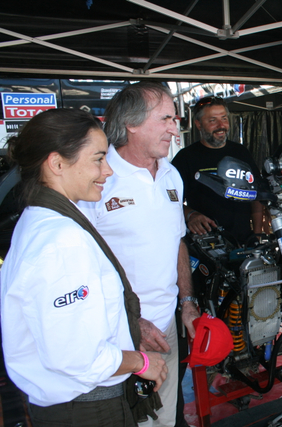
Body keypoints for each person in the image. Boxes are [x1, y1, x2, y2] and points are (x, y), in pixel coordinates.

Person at [1, 108, 168, 426]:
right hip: (87, 409)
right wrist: (141, 362)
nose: (108, 170)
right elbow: (77, 357)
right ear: (57, 163)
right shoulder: (63, 241)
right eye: (98, 159)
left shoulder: (37, 219)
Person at [78, 82, 199, 427]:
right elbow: (83, 266)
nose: (174, 129)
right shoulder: (96, 178)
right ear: (131, 123)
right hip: (116, 337)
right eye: (165, 119)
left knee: (164, 419)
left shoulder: (172, 175)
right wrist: (133, 321)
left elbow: (177, 242)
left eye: (175, 119)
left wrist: (187, 302)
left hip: (166, 328)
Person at [171, 96, 264, 243]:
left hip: (245, 242)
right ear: (198, 124)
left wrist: (257, 234)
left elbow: (257, 196)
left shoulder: (241, 152)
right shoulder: (185, 158)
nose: (221, 125)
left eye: (224, 118)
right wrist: (191, 215)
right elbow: (170, 202)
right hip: (206, 245)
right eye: (212, 120)